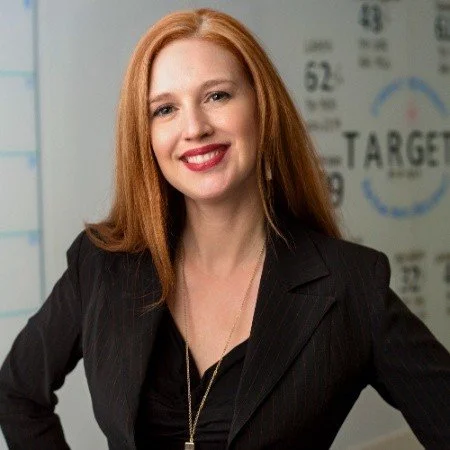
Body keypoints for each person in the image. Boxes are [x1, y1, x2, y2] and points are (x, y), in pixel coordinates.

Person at [0, 7, 449, 450]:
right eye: (165, 109)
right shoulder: (100, 264)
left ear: (262, 108)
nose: (194, 128)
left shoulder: (351, 285)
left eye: (217, 96)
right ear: (146, 136)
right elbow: (16, 393)